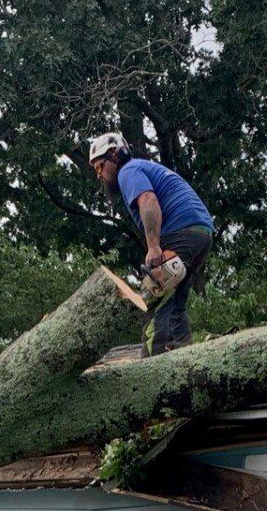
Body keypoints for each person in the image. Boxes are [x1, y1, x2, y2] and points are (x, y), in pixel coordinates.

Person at [87, 132, 215, 354]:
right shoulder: (142, 167)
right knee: (174, 304)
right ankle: (182, 355)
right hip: (200, 233)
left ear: (115, 155)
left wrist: (154, 247)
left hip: (180, 231)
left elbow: (148, 200)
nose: (100, 175)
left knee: (155, 303)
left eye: (99, 167)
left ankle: (155, 367)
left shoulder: (128, 171)